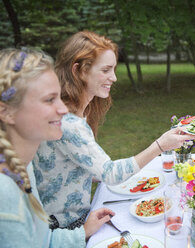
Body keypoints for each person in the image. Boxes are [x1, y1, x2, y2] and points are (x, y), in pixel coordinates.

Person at [32, 31, 195, 229]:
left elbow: (75, 166)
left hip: (74, 217)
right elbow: (110, 174)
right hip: (64, 227)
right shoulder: (68, 123)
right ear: (79, 70)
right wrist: (160, 145)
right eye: (106, 70)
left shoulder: (75, 113)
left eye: (114, 69)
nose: (114, 78)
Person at [0, 48, 115, 247]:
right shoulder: (6, 195)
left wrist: (85, 231)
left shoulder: (23, 168)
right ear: (6, 112)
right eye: (49, 100)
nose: (62, 109)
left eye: (59, 98)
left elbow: (43, 242)